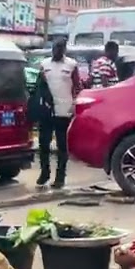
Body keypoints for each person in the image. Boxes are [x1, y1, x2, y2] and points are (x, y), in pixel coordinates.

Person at [37, 38, 81, 188]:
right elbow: (40, 86)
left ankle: (60, 177)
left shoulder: (71, 65)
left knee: (62, 145)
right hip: (47, 110)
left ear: (64, 50)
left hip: (64, 111)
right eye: (55, 48)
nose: (56, 51)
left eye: (60, 48)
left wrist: (74, 104)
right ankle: (44, 173)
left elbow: (77, 87)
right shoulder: (44, 64)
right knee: (44, 144)